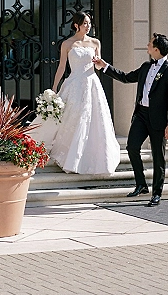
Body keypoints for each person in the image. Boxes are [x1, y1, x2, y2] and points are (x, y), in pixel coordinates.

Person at [93, 33, 168, 207]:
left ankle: (157, 193)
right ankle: (141, 184)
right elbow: (126, 77)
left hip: (159, 120)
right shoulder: (146, 66)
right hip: (141, 115)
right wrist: (105, 67)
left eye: (150, 43)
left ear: (156, 49)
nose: (147, 45)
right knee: (132, 147)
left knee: (158, 156)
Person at [42, 11, 121, 175]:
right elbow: (62, 66)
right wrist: (55, 87)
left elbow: (99, 65)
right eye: (85, 23)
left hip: (91, 83)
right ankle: (71, 157)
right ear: (76, 25)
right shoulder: (67, 44)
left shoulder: (95, 42)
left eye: (89, 23)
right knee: (74, 118)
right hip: (74, 84)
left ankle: (93, 157)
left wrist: (100, 63)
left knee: (93, 119)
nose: (88, 26)